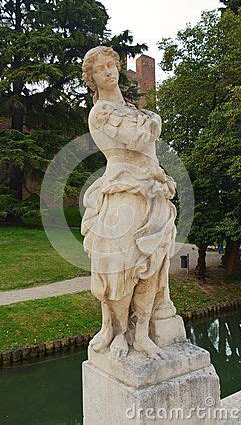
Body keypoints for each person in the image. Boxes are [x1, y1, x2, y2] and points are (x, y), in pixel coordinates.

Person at [81, 46, 177, 359]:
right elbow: (139, 139)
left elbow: (146, 143)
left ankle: (143, 332)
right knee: (119, 268)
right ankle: (118, 330)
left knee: (151, 265)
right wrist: (153, 121)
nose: (108, 71)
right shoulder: (101, 113)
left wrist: (160, 173)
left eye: (112, 65)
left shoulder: (135, 112)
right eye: (100, 69)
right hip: (122, 196)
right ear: (92, 78)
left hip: (153, 194)